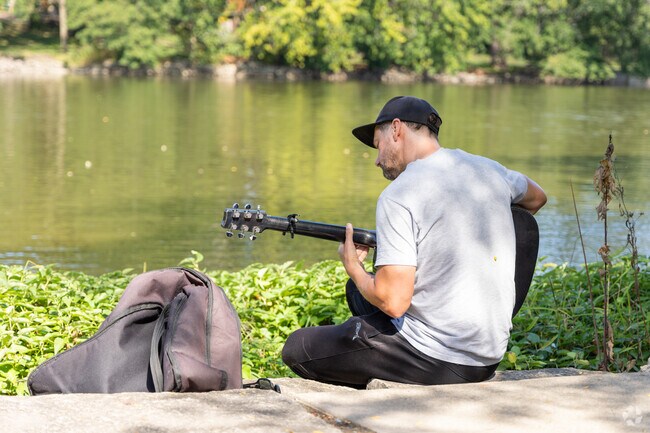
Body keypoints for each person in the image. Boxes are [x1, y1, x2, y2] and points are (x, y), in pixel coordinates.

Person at [281, 96, 547, 388]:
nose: (377, 159)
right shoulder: (488, 170)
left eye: (378, 144)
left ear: (396, 130)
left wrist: (354, 267)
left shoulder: (400, 194)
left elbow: (394, 302)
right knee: (357, 296)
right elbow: (537, 197)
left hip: (435, 360)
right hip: (488, 357)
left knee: (298, 347)